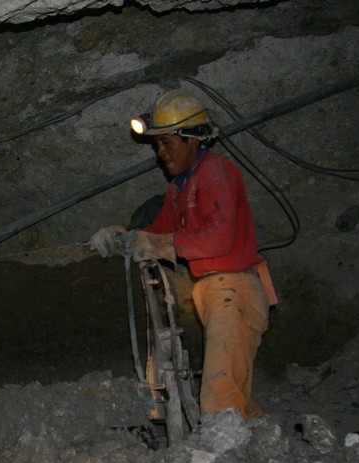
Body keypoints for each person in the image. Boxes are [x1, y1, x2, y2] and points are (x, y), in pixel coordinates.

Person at [89, 88, 272, 420]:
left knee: (219, 397)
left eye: (167, 142)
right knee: (232, 391)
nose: (160, 152)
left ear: (192, 140)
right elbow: (158, 230)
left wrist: (162, 246)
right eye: (157, 145)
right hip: (213, 291)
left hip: (235, 290)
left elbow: (218, 239)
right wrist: (123, 236)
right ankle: (259, 436)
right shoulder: (179, 187)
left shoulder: (216, 172)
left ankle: (227, 444)